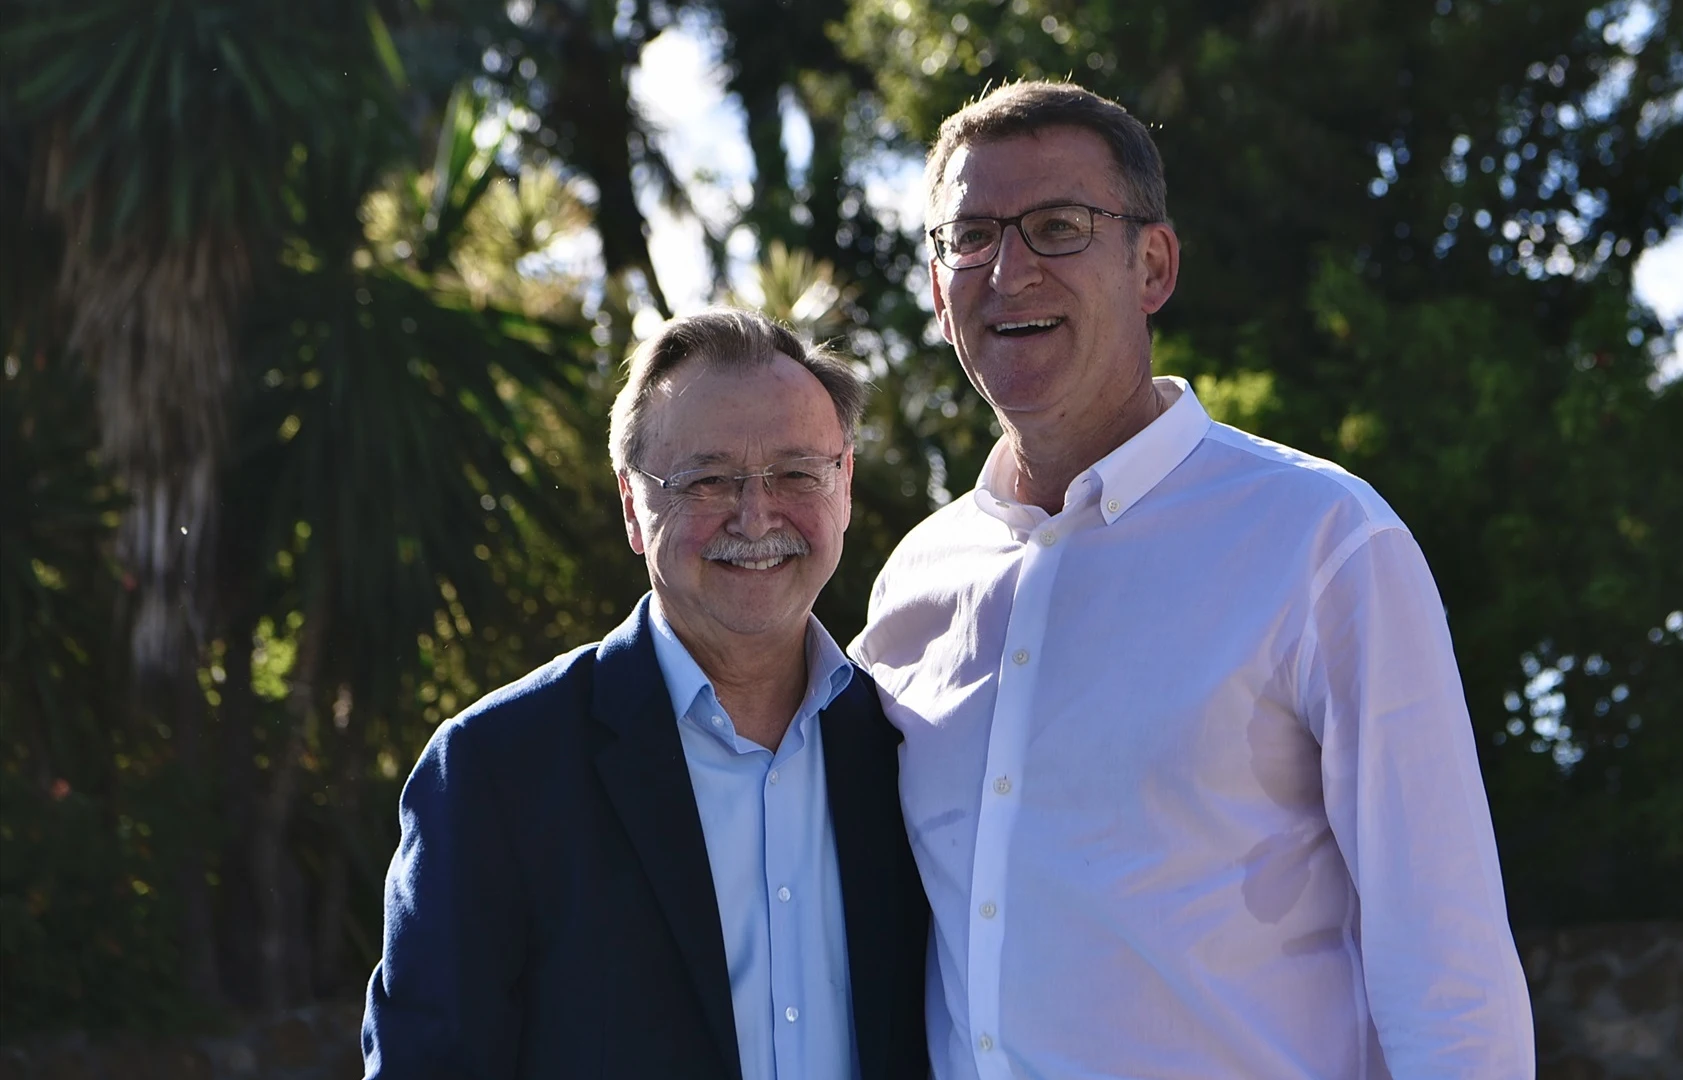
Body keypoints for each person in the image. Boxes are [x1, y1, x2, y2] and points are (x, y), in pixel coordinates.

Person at [852, 81, 1534, 1078]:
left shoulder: (1323, 540)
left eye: (1057, 227)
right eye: (971, 236)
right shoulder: (913, 583)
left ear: (1153, 265)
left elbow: (1449, 973)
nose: (1009, 270)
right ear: (935, 283)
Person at [364, 310, 929, 1079]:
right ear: (633, 504)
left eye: (797, 473)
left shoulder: (906, 746)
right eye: (708, 479)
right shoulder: (496, 771)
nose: (756, 515)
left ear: (845, 484)